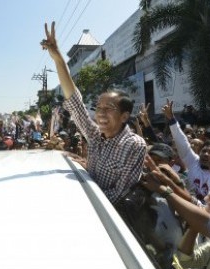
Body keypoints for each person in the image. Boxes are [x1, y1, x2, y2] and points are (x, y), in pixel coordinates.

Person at [41, 22, 146, 203]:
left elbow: (119, 195)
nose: (101, 114)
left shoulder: (134, 145)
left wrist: (81, 202)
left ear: (124, 116)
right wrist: (58, 58)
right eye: (98, 108)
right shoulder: (96, 136)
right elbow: (75, 103)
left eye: (108, 109)